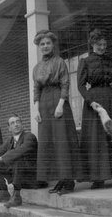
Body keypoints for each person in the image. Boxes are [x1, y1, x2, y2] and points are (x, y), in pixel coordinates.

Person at [32, 29, 83, 195]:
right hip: (44, 106)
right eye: (42, 44)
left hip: (58, 102)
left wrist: (61, 105)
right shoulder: (37, 67)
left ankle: (69, 181)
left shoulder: (60, 61)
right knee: (49, 143)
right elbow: (36, 89)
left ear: (53, 45)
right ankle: (59, 179)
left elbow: (65, 84)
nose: (45, 46)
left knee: (62, 142)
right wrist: (36, 109)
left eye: (48, 43)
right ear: (39, 47)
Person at [77, 29, 112, 189]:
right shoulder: (85, 61)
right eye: (99, 44)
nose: (102, 47)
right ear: (92, 44)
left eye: (104, 44)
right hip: (94, 103)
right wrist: (90, 102)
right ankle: (98, 178)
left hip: (110, 100)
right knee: (95, 139)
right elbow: (80, 85)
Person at [0, 114, 47, 208]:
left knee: (17, 159)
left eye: (18, 122)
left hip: (32, 178)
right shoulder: (10, 140)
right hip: (19, 177)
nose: (16, 124)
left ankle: (17, 197)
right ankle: (3, 193)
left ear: (22, 125)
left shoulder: (29, 137)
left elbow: (20, 150)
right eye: (12, 123)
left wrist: (1, 159)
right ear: (9, 128)